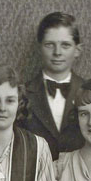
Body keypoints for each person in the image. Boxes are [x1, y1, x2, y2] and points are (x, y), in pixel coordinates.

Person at [20, 12, 86, 162]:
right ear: (39, 48)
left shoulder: (90, 93)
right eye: (50, 45)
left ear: (77, 50)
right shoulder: (21, 94)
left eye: (65, 45)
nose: (57, 52)